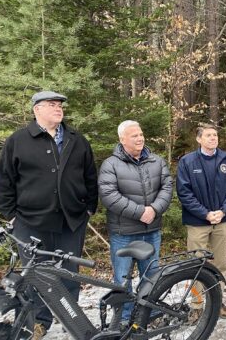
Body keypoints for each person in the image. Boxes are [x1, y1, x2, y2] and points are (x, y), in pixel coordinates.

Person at [0, 91, 98, 334]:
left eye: (60, 105)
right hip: (31, 222)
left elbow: (90, 176)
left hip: (71, 221)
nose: (58, 108)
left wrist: (90, 208)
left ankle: (71, 321)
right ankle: (38, 325)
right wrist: (11, 215)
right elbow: (4, 181)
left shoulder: (76, 139)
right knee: (36, 276)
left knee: (69, 274)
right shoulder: (18, 140)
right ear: (36, 110)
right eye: (52, 105)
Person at [98, 120, 173, 322]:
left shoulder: (156, 161)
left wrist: (154, 209)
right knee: (122, 279)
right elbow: (109, 195)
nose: (140, 138)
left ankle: (149, 312)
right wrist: (140, 212)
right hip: (123, 234)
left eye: (141, 134)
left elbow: (167, 187)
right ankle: (124, 317)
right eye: (134, 136)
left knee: (151, 276)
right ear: (122, 139)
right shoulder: (110, 165)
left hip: (152, 230)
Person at [176, 124, 226, 319]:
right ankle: (196, 304)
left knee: (219, 264)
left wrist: (223, 211)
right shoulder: (187, 162)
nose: (213, 138)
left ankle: (217, 301)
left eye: (215, 135)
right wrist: (205, 214)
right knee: (196, 264)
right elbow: (184, 193)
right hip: (198, 222)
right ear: (199, 139)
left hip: (222, 221)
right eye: (208, 135)